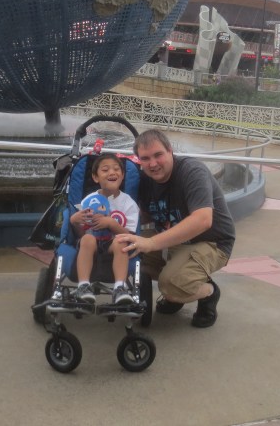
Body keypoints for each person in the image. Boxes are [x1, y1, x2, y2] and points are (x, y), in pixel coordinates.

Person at [115, 129, 235, 328]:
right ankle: (178, 282)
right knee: (124, 251)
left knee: (171, 285)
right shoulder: (145, 180)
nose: (153, 163)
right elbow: (142, 215)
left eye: (158, 155)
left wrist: (151, 242)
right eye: (145, 158)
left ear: (170, 150)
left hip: (211, 242)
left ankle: (208, 292)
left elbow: (203, 219)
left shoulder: (191, 171)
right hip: (172, 239)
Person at [69, 153, 139, 305]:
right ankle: (83, 286)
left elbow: (132, 237)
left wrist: (112, 224)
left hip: (113, 245)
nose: (112, 172)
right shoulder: (89, 200)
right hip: (91, 242)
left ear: (122, 175)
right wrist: (74, 221)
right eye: (105, 170)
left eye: (116, 169)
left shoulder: (128, 204)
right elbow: (81, 233)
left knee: (121, 242)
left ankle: (119, 288)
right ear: (96, 177)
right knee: (87, 238)